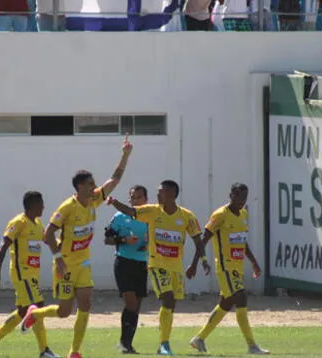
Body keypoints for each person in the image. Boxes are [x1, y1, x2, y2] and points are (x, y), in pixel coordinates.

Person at [20, 134, 134, 358]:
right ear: (81, 186)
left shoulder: (94, 199)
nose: (95, 187)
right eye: (91, 184)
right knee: (64, 312)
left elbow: (115, 179)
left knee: (86, 303)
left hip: (83, 263)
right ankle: (36, 313)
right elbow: (48, 232)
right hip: (66, 265)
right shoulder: (68, 207)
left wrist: (125, 154)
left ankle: (74, 352)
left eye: (94, 184)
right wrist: (58, 258)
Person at [106, 180, 211, 356]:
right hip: (154, 264)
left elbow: (198, 240)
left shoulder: (187, 216)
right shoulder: (152, 211)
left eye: (161, 192)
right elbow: (130, 211)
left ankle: (157, 343)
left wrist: (199, 262)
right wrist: (114, 202)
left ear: (172, 195)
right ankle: (163, 344)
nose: (158, 195)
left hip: (175, 267)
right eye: (157, 192)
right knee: (166, 299)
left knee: (170, 305)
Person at [186, 183, 269, 355]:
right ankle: (252, 345)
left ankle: (199, 339)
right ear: (231, 195)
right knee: (241, 297)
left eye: (244, 197)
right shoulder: (220, 215)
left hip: (237, 267)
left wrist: (253, 262)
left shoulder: (243, 214)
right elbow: (204, 239)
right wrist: (197, 262)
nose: (241, 200)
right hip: (225, 267)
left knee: (226, 303)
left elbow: (241, 241)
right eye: (238, 196)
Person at [0, 191, 59, 358]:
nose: (43, 207)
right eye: (41, 203)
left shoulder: (38, 223)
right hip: (21, 272)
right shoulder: (18, 222)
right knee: (38, 306)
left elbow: (48, 240)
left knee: (23, 311)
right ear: (32, 205)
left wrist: (64, 245)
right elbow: (3, 246)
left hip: (32, 273)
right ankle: (44, 350)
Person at [103, 185, 149, 354]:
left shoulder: (150, 216)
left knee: (136, 306)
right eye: (133, 197)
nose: (136, 200)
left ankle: (126, 343)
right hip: (123, 263)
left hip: (142, 264)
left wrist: (148, 244)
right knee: (131, 303)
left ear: (146, 199)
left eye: (139, 197)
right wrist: (123, 239)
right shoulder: (120, 216)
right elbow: (107, 239)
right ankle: (125, 344)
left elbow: (155, 238)